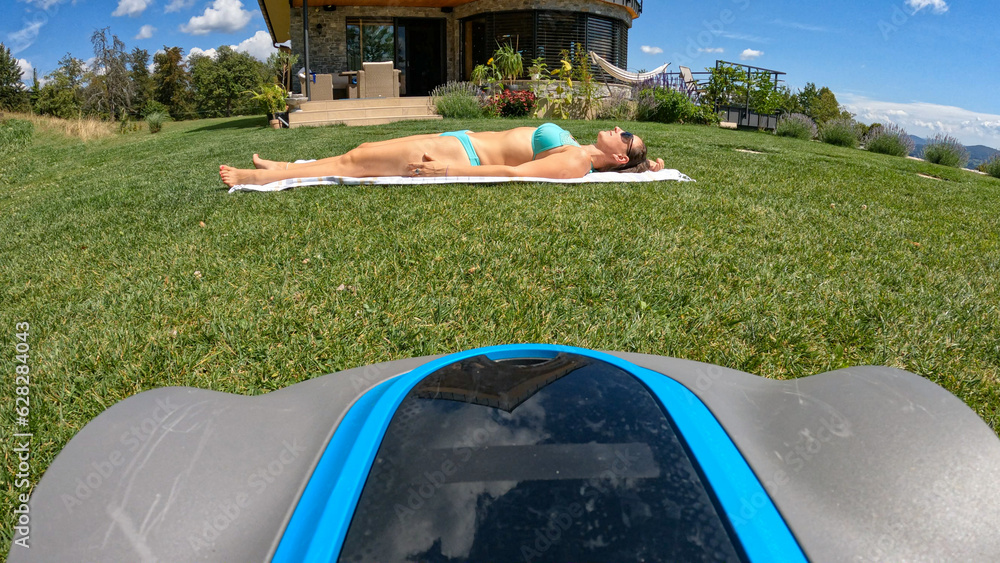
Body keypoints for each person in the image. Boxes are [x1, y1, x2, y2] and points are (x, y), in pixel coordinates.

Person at [219, 123, 665, 187]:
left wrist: (450, 168)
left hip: (458, 153)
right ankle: (286, 168)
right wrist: (649, 168)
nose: (619, 129)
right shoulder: (578, 142)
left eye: (625, 136)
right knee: (366, 150)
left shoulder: (577, 162)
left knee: (357, 162)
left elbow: (513, 172)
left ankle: (259, 179)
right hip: (458, 136)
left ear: (619, 158)